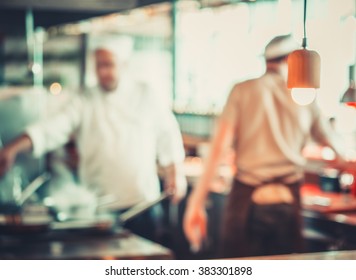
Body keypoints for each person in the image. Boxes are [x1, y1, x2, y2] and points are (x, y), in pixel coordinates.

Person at [183, 34, 354, 258]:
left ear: (266, 61)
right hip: (288, 201)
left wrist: (196, 202)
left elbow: (219, 148)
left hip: (248, 199)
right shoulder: (305, 97)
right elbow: (335, 147)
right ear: (293, 61)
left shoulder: (242, 90)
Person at [0, 37, 187, 242]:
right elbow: (52, 128)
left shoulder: (145, 94)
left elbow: (168, 134)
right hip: (98, 211)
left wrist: (175, 172)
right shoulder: (85, 99)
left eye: (108, 64)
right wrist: (12, 148)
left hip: (142, 205)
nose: (102, 72)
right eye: (99, 65)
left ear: (124, 64)